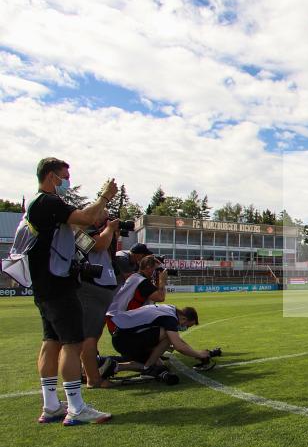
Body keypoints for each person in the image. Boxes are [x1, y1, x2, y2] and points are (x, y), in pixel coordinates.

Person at [25, 157, 117, 425]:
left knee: (50, 342)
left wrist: (102, 210)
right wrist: (103, 197)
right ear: (52, 176)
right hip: (59, 284)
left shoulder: (36, 206)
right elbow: (88, 217)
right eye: (64, 176)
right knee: (71, 343)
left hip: (44, 286)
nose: (67, 181)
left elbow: (87, 235)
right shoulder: (49, 203)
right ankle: (76, 407)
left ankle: (51, 404)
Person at [76, 216, 120, 388]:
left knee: (93, 335)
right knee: (89, 337)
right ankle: (93, 379)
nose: (107, 217)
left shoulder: (93, 232)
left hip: (99, 288)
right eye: (103, 213)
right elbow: (98, 246)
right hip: (91, 288)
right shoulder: (81, 231)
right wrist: (109, 229)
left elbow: (104, 250)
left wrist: (110, 233)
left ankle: (87, 372)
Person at [106, 304, 207, 375]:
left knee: (160, 365)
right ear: (184, 318)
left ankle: (118, 366)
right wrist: (199, 355)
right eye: (188, 326)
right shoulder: (170, 319)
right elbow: (179, 346)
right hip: (125, 340)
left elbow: (178, 341)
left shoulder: (170, 309)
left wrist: (195, 352)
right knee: (168, 338)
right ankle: (148, 368)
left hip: (123, 336)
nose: (185, 328)